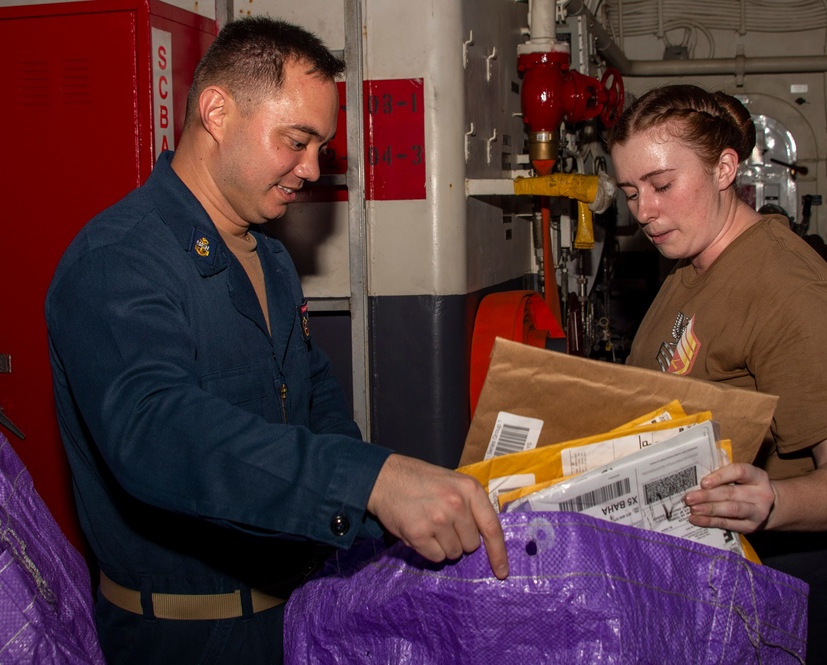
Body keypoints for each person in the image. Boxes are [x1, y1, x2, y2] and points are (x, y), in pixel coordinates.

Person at [45, 16, 507, 665]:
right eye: (296, 140)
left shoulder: (269, 257)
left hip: (298, 614)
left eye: (320, 145)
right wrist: (368, 482)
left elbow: (312, 403)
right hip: (187, 640)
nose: (312, 167)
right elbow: (154, 432)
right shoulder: (118, 259)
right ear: (216, 110)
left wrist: (386, 513)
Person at [608, 84, 827, 665]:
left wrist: (773, 501)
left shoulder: (789, 291)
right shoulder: (692, 264)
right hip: (722, 574)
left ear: (725, 169)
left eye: (662, 185)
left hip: (802, 586)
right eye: (631, 192)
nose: (644, 212)